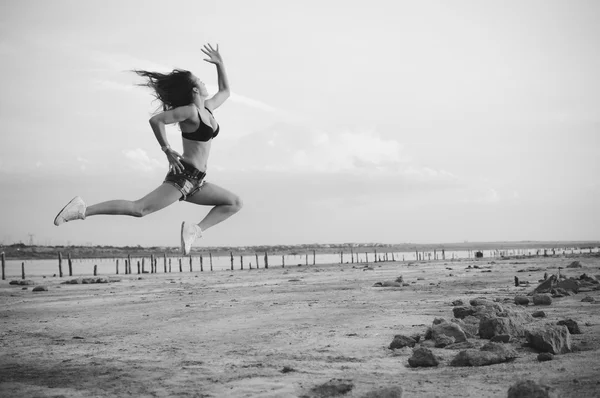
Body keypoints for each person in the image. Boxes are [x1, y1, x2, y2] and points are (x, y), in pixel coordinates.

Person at [54, 44, 243, 255]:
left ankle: (195, 230)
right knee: (139, 209)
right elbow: (156, 120)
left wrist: (220, 63)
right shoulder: (190, 111)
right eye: (199, 80)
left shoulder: (207, 108)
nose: (202, 81)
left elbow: (225, 91)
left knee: (234, 202)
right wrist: (167, 149)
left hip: (197, 180)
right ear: (194, 89)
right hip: (183, 177)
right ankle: (82, 209)